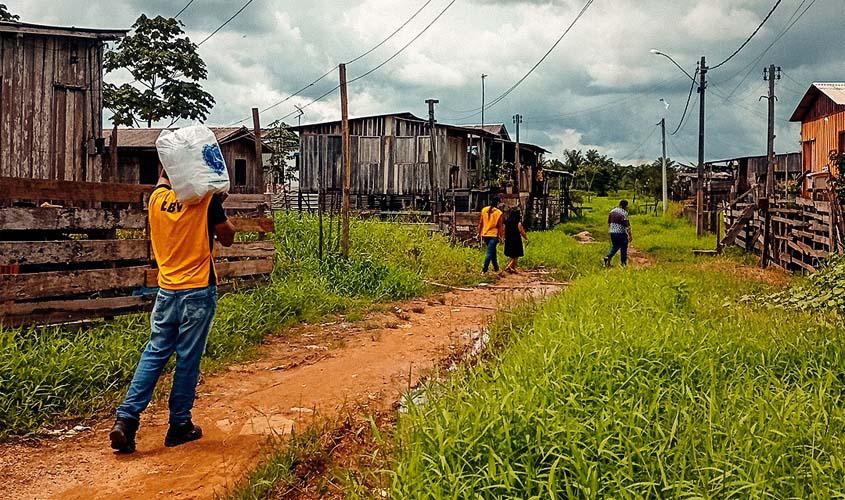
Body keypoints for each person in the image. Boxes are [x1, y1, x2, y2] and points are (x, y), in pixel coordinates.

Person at [109, 169, 235, 454]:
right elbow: (227, 236)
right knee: (188, 358)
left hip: (166, 291)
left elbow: (163, 183)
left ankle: (126, 420)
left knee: (155, 352)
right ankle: (179, 424)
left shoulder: (155, 199)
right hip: (198, 290)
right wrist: (218, 201)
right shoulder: (204, 198)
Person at [477, 196, 504, 274]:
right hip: (493, 235)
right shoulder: (499, 213)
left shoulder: (484, 210)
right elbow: (500, 226)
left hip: (485, 234)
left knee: (493, 252)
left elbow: (480, 223)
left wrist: (478, 233)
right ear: (498, 203)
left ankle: (496, 268)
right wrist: (501, 237)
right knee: (489, 253)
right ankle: (484, 270)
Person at [604, 199, 632, 267]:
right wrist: (630, 235)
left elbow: (609, 222)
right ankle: (623, 264)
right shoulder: (624, 213)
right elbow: (627, 226)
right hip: (621, 233)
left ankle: (608, 258)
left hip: (612, 232)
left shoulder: (612, 211)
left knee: (615, 246)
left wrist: (610, 231)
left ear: (619, 204)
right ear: (626, 206)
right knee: (623, 247)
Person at [503, 209, 529, 273]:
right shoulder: (518, 223)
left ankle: (513, 268)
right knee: (516, 255)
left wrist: (503, 238)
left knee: (511, 255)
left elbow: (504, 230)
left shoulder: (507, 222)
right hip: (516, 240)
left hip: (508, 239)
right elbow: (522, 231)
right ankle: (509, 266)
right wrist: (526, 238)